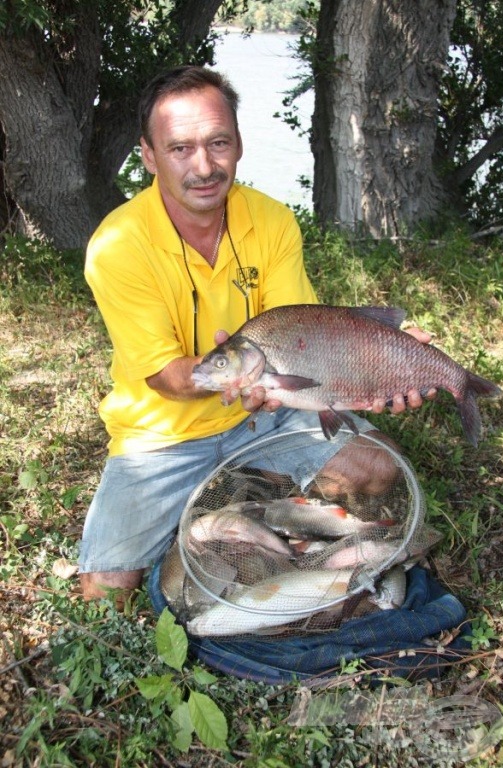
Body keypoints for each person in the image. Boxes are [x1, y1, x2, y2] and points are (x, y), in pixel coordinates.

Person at [80, 65, 433, 603]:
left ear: (240, 144)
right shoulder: (118, 245)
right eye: (180, 149)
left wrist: (382, 365)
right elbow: (168, 378)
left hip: (269, 406)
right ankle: (225, 508)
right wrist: (229, 377)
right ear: (149, 156)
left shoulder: (270, 221)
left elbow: (308, 336)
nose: (204, 166)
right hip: (163, 435)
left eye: (218, 142)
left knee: (379, 468)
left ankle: (253, 494)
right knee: (106, 591)